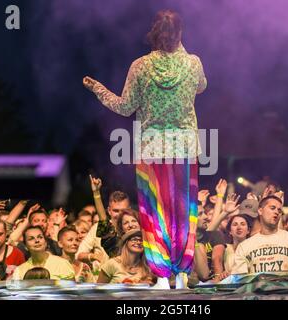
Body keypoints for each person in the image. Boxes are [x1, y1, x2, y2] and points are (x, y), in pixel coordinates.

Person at [83, 9, 206, 290]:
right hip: (184, 147)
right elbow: (202, 87)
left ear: (153, 34)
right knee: (183, 211)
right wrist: (182, 50)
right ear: (180, 34)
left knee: (155, 212)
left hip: (152, 148)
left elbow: (124, 106)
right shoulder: (193, 63)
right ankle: (183, 274)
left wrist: (99, 89)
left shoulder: (140, 66)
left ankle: (162, 275)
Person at [232, 196, 288, 274]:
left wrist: (286, 276)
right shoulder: (244, 246)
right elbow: (239, 276)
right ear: (260, 211)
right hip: (258, 286)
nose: (276, 212)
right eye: (272, 208)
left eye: (279, 210)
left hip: (284, 285)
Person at [194, 204, 227, 283]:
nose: (206, 217)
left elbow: (217, 259)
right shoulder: (179, 241)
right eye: (200, 214)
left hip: (211, 285)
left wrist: (218, 280)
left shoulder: (214, 235)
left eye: (204, 213)